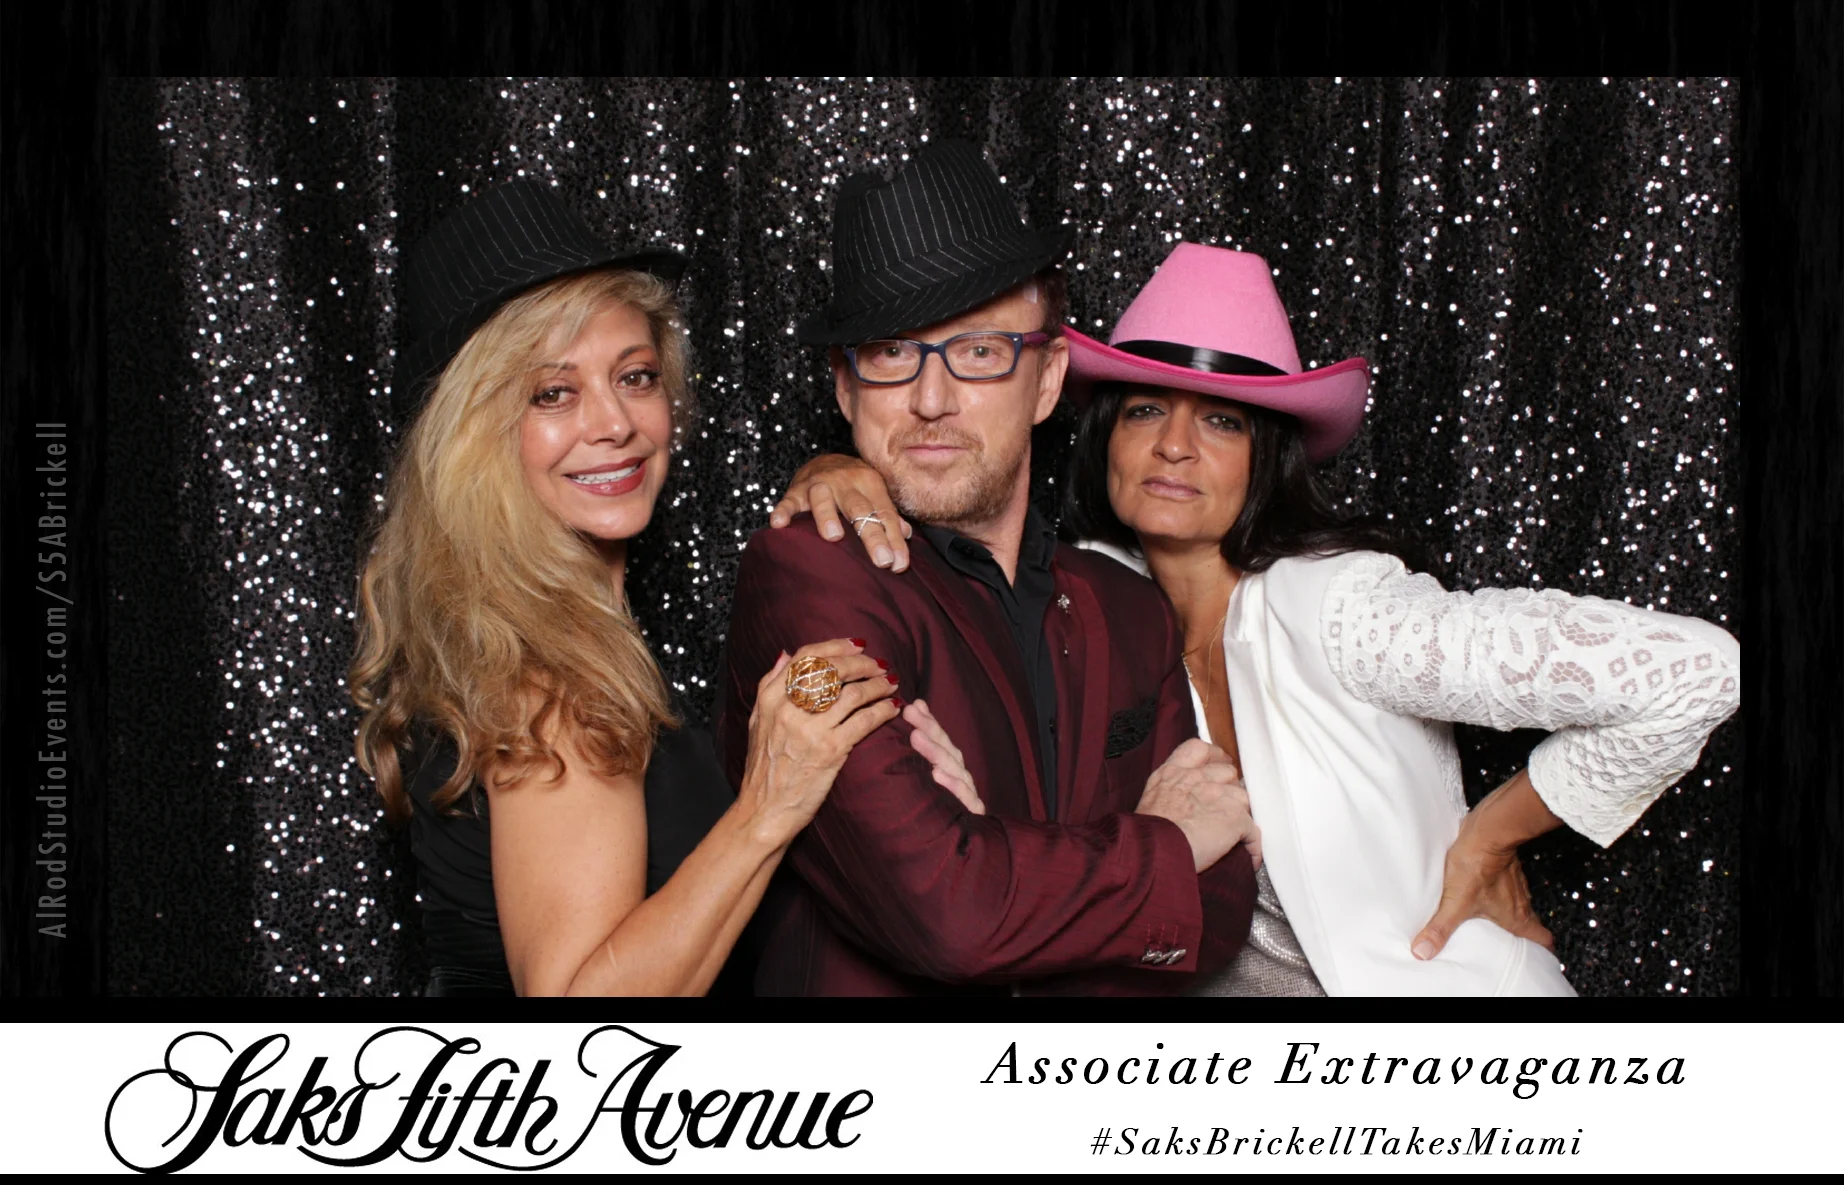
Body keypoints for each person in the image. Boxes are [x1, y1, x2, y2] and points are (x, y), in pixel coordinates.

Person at [781, 241, 1742, 996]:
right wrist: (842, 471)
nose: (1175, 447)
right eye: (1145, 409)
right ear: (1104, 434)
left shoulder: (1343, 605)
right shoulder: (1087, 597)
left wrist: (1496, 832)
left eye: (1222, 420)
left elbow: (1698, 670)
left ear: (1265, 455)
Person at [349, 182, 969, 997]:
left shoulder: (548, 630)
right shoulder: (549, 682)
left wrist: (829, 472)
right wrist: (770, 805)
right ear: (470, 434)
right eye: (553, 393)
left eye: (635, 377)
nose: (616, 423)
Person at [720, 142, 1261, 997]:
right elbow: (947, 915)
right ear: (846, 389)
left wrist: (995, 853)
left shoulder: (1130, 606)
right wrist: (1165, 843)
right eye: (892, 353)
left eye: (978, 352)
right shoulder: (809, 576)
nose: (931, 400)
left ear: (1047, 381)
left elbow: (1220, 913)